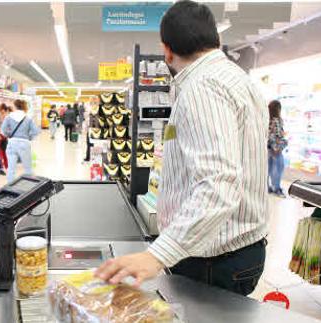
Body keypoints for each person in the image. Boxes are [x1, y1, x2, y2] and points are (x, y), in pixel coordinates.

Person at [95, 0, 269, 297]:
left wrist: (157, 255)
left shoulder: (202, 87)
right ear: (217, 39)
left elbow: (219, 183)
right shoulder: (238, 79)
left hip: (213, 261)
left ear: (167, 49)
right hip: (236, 251)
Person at [1, 99, 40, 183]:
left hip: (12, 142)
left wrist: (9, 135)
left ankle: (10, 186)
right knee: (27, 168)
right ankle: (29, 187)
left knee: (11, 168)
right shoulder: (28, 118)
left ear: (15, 106)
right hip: (24, 143)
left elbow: (3, 130)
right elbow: (36, 131)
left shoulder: (9, 117)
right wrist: (29, 137)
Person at [268, 100, 287, 197]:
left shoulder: (268, 119)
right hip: (276, 149)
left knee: (269, 169)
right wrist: (277, 148)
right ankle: (277, 189)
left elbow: (269, 134)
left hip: (268, 148)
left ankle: (268, 187)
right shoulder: (277, 120)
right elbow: (278, 135)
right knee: (279, 168)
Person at [0, 103, 10, 170]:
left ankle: (4, 165)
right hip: (2, 135)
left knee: (2, 151)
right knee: (2, 151)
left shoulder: (5, 117)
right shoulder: (6, 116)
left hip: (2, 135)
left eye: (1, 110)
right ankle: (4, 165)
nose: (1, 111)